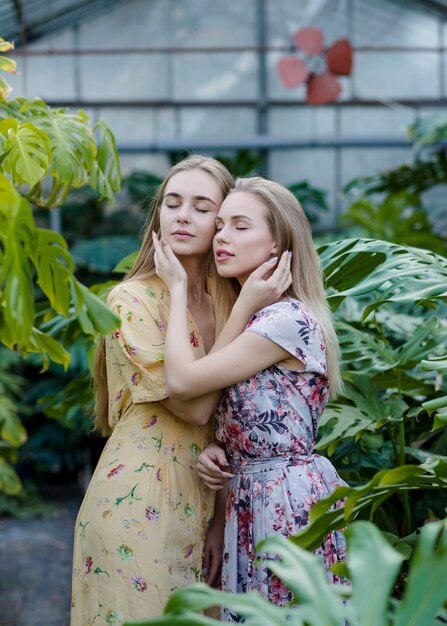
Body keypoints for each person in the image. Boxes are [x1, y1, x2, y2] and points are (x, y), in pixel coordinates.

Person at [70, 157, 291, 626]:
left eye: (201, 206)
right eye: (172, 203)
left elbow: (233, 418)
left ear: (225, 222)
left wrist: (218, 518)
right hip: (138, 497)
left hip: (209, 497)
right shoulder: (130, 300)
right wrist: (230, 303)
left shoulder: (228, 297)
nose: (183, 215)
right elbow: (194, 407)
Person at [153, 176, 347, 622]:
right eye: (219, 225)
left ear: (279, 242)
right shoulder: (259, 316)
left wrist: (178, 287)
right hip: (249, 496)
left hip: (282, 500)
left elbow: (184, 384)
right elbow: (250, 420)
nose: (221, 236)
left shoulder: (283, 320)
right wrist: (221, 451)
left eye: (240, 226)